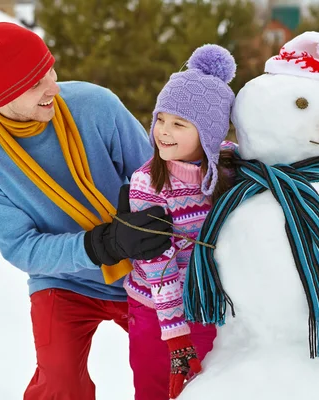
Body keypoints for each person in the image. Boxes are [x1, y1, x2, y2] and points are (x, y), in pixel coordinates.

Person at [0, 19, 173, 400]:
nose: (53, 87)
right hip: (64, 280)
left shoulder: (95, 105)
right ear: (2, 95)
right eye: (35, 83)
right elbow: (21, 247)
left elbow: (161, 182)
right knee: (60, 383)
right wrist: (100, 246)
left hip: (142, 270)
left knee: (176, 366)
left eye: (49, 69)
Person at [122, 44, 237, 399]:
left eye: (178, 124)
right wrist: (175, 335)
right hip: (156, 313)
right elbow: (158, 263)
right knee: (156, 390)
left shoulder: (228, 169)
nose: (163, 132)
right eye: (160, 119)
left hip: (206, 309)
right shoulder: (149, 183)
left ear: (209, 135)